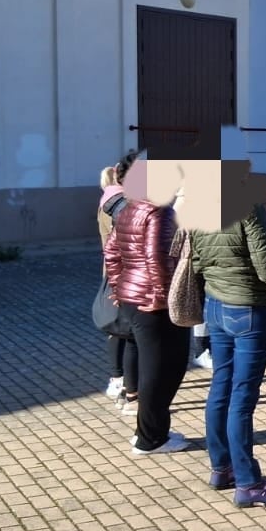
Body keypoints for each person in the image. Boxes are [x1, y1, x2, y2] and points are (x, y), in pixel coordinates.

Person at [189, 188, 266, 507]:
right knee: (242, 397)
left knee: (221, 386)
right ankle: (247, 483)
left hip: (216, 305)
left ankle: (222, 467)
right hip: (247, 307)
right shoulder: (246, 206)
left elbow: (195, 259)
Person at [103, 159, 191, 458]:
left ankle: (151, 431)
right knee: (163, 368)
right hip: (153, 304)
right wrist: (161, 296)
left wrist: (118, 286)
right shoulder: (158, 211)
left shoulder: (131, 208)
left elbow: (111, 251)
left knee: (160, 367)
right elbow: (157, 257)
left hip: (133, 298)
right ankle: (150, 438)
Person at [98, 155, 138, 412]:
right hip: (125, 274)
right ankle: (122, 384)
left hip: (116, 272)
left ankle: (119, 380)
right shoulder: (121, 205)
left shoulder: (109, 200)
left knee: (121, 329)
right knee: (126, 332)